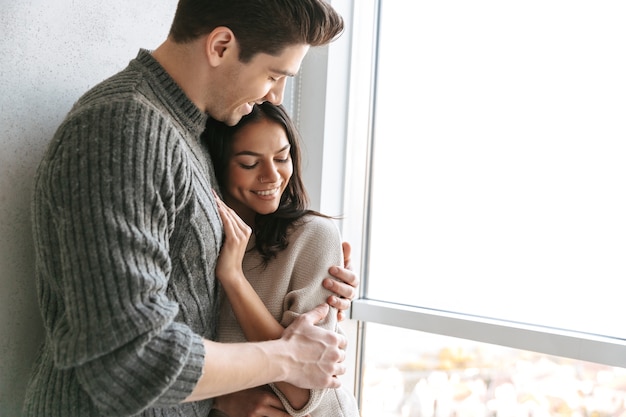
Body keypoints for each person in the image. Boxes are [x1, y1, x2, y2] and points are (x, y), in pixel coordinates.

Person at [22, 1, 359, 416]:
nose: (274, 96)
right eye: (274, 75)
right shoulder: (125, 130)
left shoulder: (188, 134)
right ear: (220, 45)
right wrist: (288, 358)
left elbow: (180, 291)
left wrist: (313, 266)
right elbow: (129, 359)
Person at [203, 102, 360, 417]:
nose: (272, 176)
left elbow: (303, 390)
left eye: (281, 157)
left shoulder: (313, 235)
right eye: (249, 163)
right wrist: (217, 398)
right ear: (217, 164)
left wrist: (233, 277)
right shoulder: (200, 241)